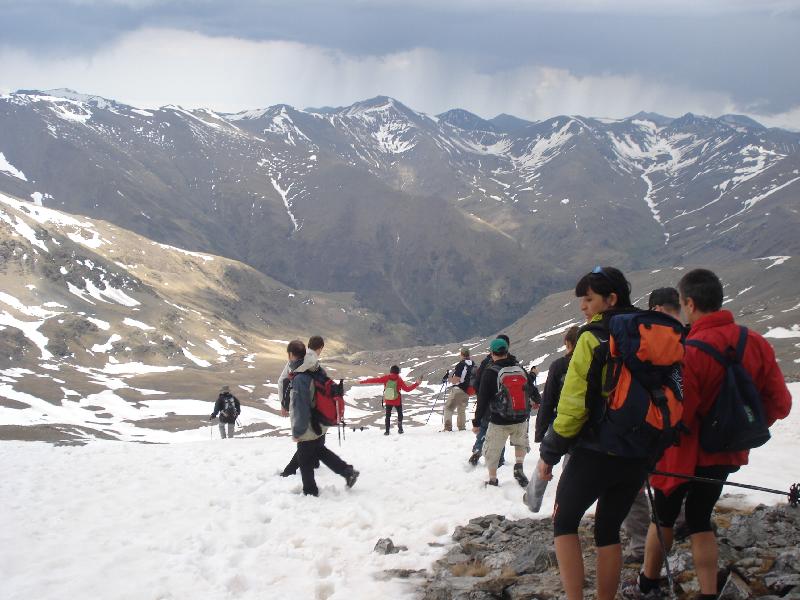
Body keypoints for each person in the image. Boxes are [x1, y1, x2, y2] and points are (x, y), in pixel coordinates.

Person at [625, 269, 791, 600]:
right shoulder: (754, 342)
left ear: (688, 302)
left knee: (665, 518)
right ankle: (708, 593)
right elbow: (781, 404)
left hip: (683, 456)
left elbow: (680, 414)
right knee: (700, 518)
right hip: (725, 454)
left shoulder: (689, 350)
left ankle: (648, 582)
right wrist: (740, 429)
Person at [538, 266, 648, 600]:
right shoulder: (649, 333)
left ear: (610, 299)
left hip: (596, 451)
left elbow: (573, 406)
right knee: (608, 530)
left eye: (589, 300)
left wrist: (549, 454)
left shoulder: (592, 337)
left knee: (564, 523)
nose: (583, 307)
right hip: (639, 452)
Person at [621, 288, 685, 562]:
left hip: (645, 430)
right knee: (675, 484)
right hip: (681, 432)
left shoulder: (641, 340)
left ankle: (640, 549)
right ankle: (685, 527)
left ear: (655, 310)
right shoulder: (689, 339)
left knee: (630, 487)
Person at [286, 339, 359, 496]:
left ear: (291, 355)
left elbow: (301, 408)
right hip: (320, 422)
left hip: (309, 426)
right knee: (319, 451)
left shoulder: (300, 378)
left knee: (305, 459)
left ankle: (310, 493)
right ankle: (347, 472)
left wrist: (298, 432)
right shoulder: (316, 369)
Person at [524, 325, 580, 512]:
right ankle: (565, 506)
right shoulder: (589, 363)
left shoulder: (559, 366)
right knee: (571, 468)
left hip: (558, 422)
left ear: (568, 343)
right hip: (582, 424)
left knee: (545, 461)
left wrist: (540, 432)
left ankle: (532, 500)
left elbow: (547, 400)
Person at [473, 338, 531, 488]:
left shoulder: (490, 372)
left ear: (492, 353)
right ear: (507, 351)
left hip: (499, 419)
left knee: (493, 449)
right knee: (520, 443)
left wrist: (476, 421)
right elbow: (530, 387)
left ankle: (493, 479)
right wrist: (536, 400)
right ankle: (519, 465)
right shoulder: (519, 368)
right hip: (520, 416)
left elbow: (483, 399)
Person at [279, 335, 325, 477]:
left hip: (302, 406)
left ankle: (312, 462)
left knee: (313, 438)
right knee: (308, 441)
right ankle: (290, 470)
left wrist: (284, 404)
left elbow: (282, 381)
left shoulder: (299, 361)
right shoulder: (311, 361)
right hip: (310, 406)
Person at [468, 334, 510, 466]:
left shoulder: (486, 362)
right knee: (501, 431)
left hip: (487, 403)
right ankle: (500, 458)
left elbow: (477, 383)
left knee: (485, 427)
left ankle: (478, 449)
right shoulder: (513, 363)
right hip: (506, 406)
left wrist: (481, 396)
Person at [358, 366, 420, 435]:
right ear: (398, 372)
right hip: (397, 400)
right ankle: (400, 429)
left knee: (388, 416)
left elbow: (374, 380)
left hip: (388, 400)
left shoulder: (386, 378)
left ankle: (387, 431)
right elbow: (407, 389)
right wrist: (416, 384)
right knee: (400, 414)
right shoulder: (399, 379)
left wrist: (361, 382)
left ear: (391, 371)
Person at [444, 348, 474, 431]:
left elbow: (456, 380)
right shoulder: (472, 364)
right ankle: (462, 427)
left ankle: (447, 428)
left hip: (458, 389)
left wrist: (448, 379)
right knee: (461, 409)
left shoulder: (461, 364)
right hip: (467, 390)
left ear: (462, 354)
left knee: (448, 407)